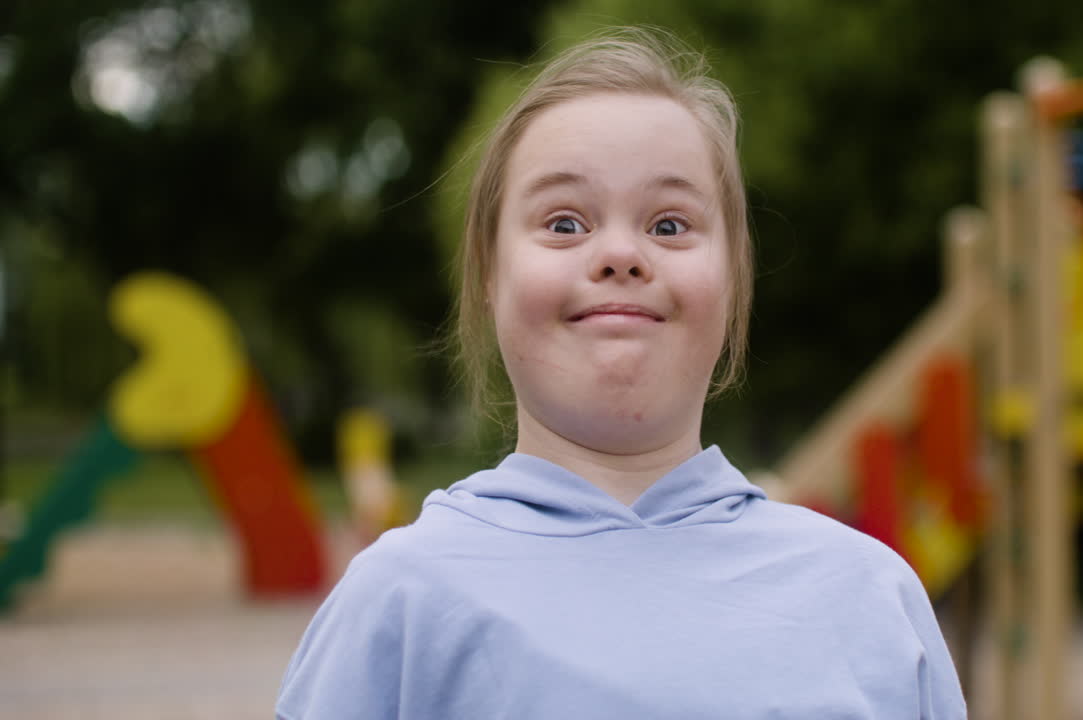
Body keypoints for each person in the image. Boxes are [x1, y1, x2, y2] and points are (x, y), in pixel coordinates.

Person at [276, 27, 967, 719]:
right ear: (491, 276)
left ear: (732, 281)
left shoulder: (870, 599)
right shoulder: (398, 603)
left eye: (669, 226)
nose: (619, 254)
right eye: (565, 223)